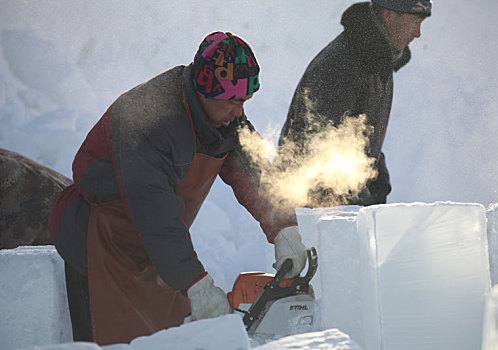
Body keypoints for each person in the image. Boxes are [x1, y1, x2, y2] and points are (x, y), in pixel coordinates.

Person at [48, 31, 306, 346]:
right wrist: (195, 284)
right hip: (97, 243)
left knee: (171, 337)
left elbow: (253, 172)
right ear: (206, 90)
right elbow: (155, 214)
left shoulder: (223, 117)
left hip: (156, 251)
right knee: (120, 342)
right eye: (233, 102)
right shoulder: (148, 119)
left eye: (245, 102)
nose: (239, 113)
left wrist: (283, 227)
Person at [277, 0, 431, 207]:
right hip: (319, 215)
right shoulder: (341, 66)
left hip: (346, 211)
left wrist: (377, 186)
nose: (418, 33)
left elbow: (364, 141)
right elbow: (320, 156)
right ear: (389, 15)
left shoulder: (374, 59)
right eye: (415, 21)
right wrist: (358, 208)